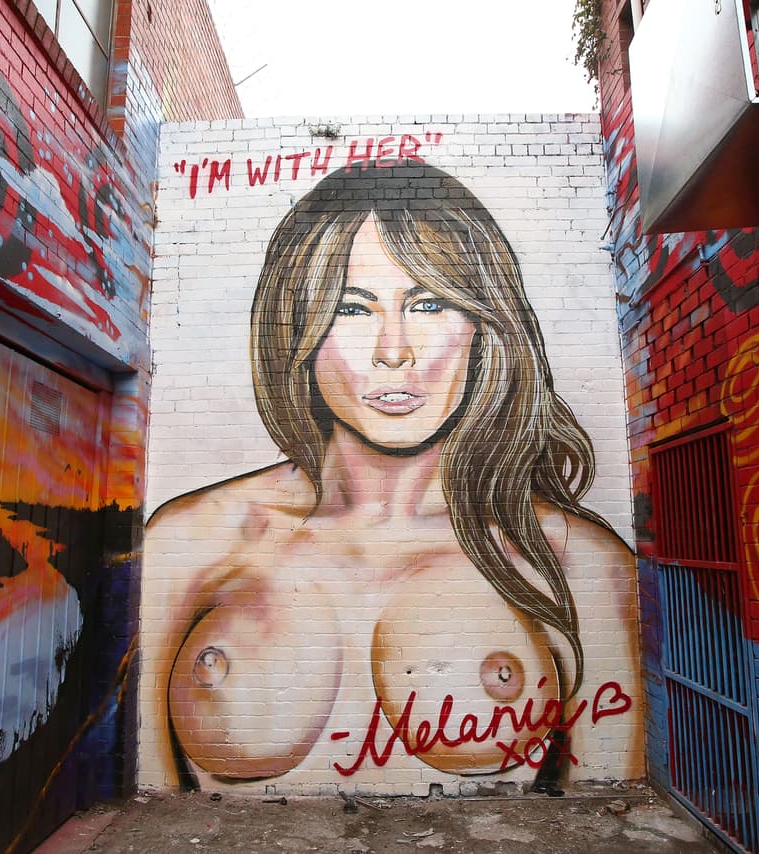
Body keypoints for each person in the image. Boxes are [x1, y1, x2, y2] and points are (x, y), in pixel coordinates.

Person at [145, 161, 639, 791]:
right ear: (295, 328)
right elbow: (147, 804)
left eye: (429, 303)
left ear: (486, 329)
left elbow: (605, 812)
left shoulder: (578, 565)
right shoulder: (192, 543)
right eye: (352, 308)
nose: (394, 350)